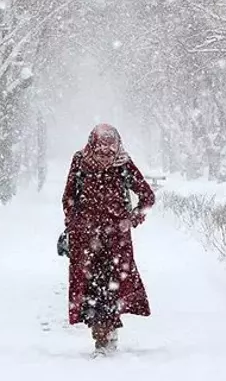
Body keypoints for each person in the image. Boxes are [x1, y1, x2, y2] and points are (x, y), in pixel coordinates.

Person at [61, 123, 155, 356]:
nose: (105, 153)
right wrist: (75, 223)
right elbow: (69, 197)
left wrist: (133, 219)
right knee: (98, 287)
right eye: (101, 147)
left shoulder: (120, 163)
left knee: (104, 286)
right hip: (95, 239)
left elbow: (147, 196)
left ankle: (105, 334)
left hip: (109, 240)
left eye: (109, 148)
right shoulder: (83, 161)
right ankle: (103, 333)